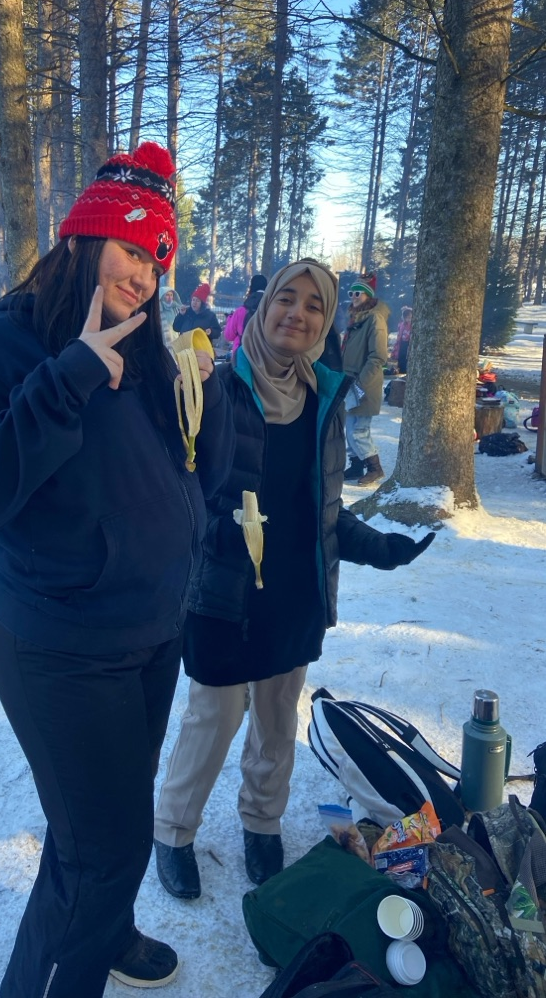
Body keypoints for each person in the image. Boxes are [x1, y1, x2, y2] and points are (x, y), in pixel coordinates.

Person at [0, 142, 234, 998]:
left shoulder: (148, 351)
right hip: (61, 644)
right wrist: (63, 382)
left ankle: (111, 929)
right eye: (133, 250)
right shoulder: (4, 347)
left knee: (117, 819)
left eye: (157, 259)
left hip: (147, 635)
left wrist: (204, 406)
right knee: (95, 850)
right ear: (87, 237)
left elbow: (190, 485)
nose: (144, 275)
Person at [152, 259, 435, 900]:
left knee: (278, 721)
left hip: (295, 594)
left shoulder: (323, 399)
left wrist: (380, 547)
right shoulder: (215, 388)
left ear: (325, 322)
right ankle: (172, 831)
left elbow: (322, 512)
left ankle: (261, 823)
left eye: (313, 305)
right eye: (287, 298)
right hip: (224, 595)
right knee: (214, 719)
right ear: (263, 306)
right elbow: (173, 481)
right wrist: (211, 529)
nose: (297, 313)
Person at [341, 273, 388, 486]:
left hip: (363, 385)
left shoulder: (374, 319)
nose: (353, 297)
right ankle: (357, 465)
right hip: (350, 383)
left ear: (368, 295)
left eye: (358, 293)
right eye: (351, 293)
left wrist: (361, 384)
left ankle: (374, 468)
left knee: (358, 430)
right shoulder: (357, 318)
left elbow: (377, 356)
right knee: (350, 427)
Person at [224, 274, 267, 357]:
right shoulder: (272, 309)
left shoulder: (241, 310)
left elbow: (229, 335)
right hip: (264, 357)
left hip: (241, 357)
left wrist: (230, 318)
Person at [391, 306, 413, 374]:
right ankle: (401, 370)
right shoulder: (402, 325)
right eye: (407, 318)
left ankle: (406, 370)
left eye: (410, 318)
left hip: (409, 343)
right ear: (404, 318)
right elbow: (399, 335)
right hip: (402, 343)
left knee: (407, 358)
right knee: (401, 357)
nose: (409, 319)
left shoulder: (413, 325)